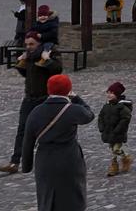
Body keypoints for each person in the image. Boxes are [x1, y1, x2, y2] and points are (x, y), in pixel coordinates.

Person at [21, 74, 95, 210]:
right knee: (71, 197)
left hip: (45, 160)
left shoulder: (36, 112)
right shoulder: (73, 110)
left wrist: (26, 166)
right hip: (69, 159)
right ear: (68, 90)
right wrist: (76, 98)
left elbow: (27, 142)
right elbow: (89, 114)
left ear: (49, 90)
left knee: (47, 198)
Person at [0, 31, 63, 174]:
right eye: (26, 44)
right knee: (22, 130)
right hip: (29, 98)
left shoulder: (50, 52)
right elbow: (26, 75)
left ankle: (53, 160)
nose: (28, 47)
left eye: (31, 44)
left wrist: (47, 60)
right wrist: (20, 64)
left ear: (39, 43)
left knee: (48, 130)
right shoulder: (29, 56)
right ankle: (15, 162)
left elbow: (58, 70)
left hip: (45, 99)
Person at [98, 81, 134, 177]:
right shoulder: (106, 106)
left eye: (112, 93)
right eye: (108, 92)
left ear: (117, 94)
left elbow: (125, 119)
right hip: (108, 132)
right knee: (112, 150)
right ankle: (114, 166)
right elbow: (100, 116)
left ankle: (126, 157)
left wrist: (118, 130)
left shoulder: (122, 107)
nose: (109, 95)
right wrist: (101, 127)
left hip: (118, 133)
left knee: (116, 149)